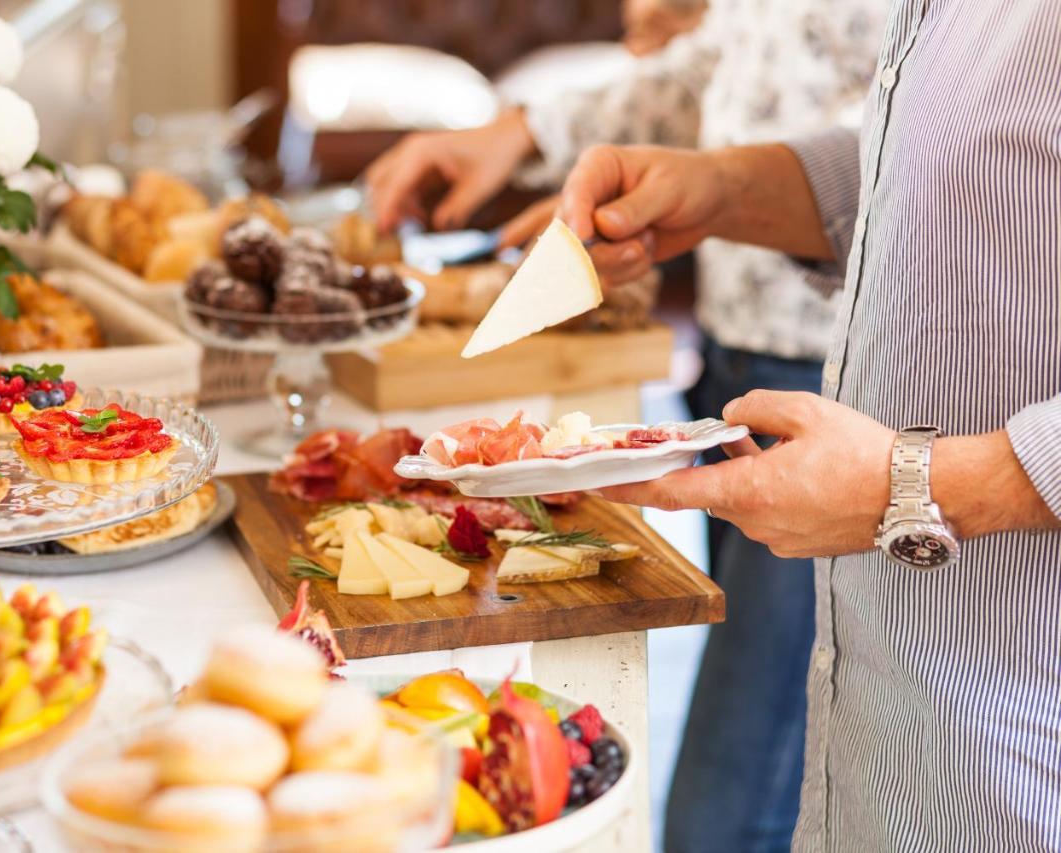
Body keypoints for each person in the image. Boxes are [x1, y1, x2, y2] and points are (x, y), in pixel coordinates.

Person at [365, 2, 886, 849]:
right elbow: (714, 65)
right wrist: (522, 130)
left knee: (737, 780)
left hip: (832, 373)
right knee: (786, 714)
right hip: (742, 352)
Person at [557, 1, 1061, 849]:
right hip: (904, 736)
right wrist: (727, 186)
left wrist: (916, 486)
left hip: (1020, 752)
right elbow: (983, 172)